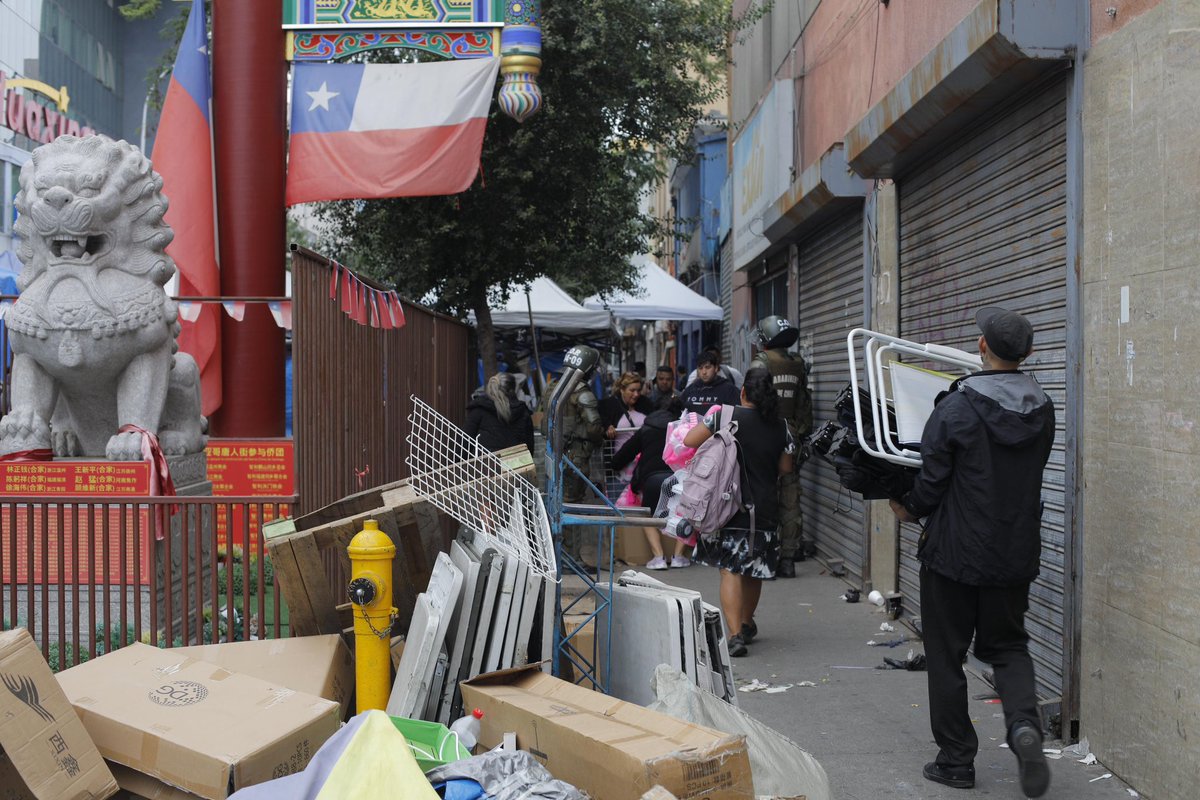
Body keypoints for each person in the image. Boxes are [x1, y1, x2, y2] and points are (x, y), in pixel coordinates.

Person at [888, 306, 1054, 798]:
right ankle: (1023, 726)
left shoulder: (956, 407)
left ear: (982, 347)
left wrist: (907, 508)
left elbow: (932, 482)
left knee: (946, 655)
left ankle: (956, 761)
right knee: (1008, 647)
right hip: (1013, 553)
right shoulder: (1043, 409)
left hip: (953, 554)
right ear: (1028, 353)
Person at [683, 369, 794, 657]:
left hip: (728, 505)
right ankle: (746, 623)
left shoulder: (725, 415)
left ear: (743, 392)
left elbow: (690, 440)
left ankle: (734, 636)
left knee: (730, 570)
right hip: (765, 508)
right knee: (753, 570)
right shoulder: (782, 426)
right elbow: (785, 468)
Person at [749, 315, 813, 578]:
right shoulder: (798, 363)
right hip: (790, 439)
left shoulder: (761, 362)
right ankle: (788, 559)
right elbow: (804, 406)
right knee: (790, 499)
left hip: (765, 437)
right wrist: (799, 436)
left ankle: (767, 556)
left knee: (764, 497)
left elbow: (752, 400)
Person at [610, 393, 691, 570]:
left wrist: (615, 464)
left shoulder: (647, 428)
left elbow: (624, 454)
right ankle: (678, 556)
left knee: (647, 515)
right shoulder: (684, 429)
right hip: (678, 477)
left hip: (650, 478)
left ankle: (658, 557)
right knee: (685, 512)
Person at [598, 372, 651, 499]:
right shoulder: (609, 405)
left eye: (638, 390)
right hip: (618, 468)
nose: (636, 394)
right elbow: (598, 421)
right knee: (615, 504)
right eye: (632, 390)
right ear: (622, 389)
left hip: (641, 467)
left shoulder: (646, 404)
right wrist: (607, 426)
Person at [465, 373, 534, 454]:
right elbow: (529, 447)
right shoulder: (522, 412)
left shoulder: (479, 410)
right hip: (515, 460)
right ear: (514, 389)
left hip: (484, 460)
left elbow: (464, 441)